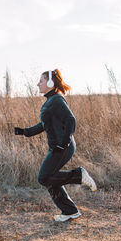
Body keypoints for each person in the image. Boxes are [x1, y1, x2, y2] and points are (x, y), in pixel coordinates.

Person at [14, 69, 97, 222]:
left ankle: (79, 175)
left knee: (43, 177)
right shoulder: (50, 101)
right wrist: (24, 132)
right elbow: (44, 125)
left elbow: (71, 120)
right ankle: (69, 211)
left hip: (62, 147)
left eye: (41, 81)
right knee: (50, 179)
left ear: (51, 83)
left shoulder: (57, 100)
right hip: (57, 147)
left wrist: (63, 144)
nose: (38, 84)